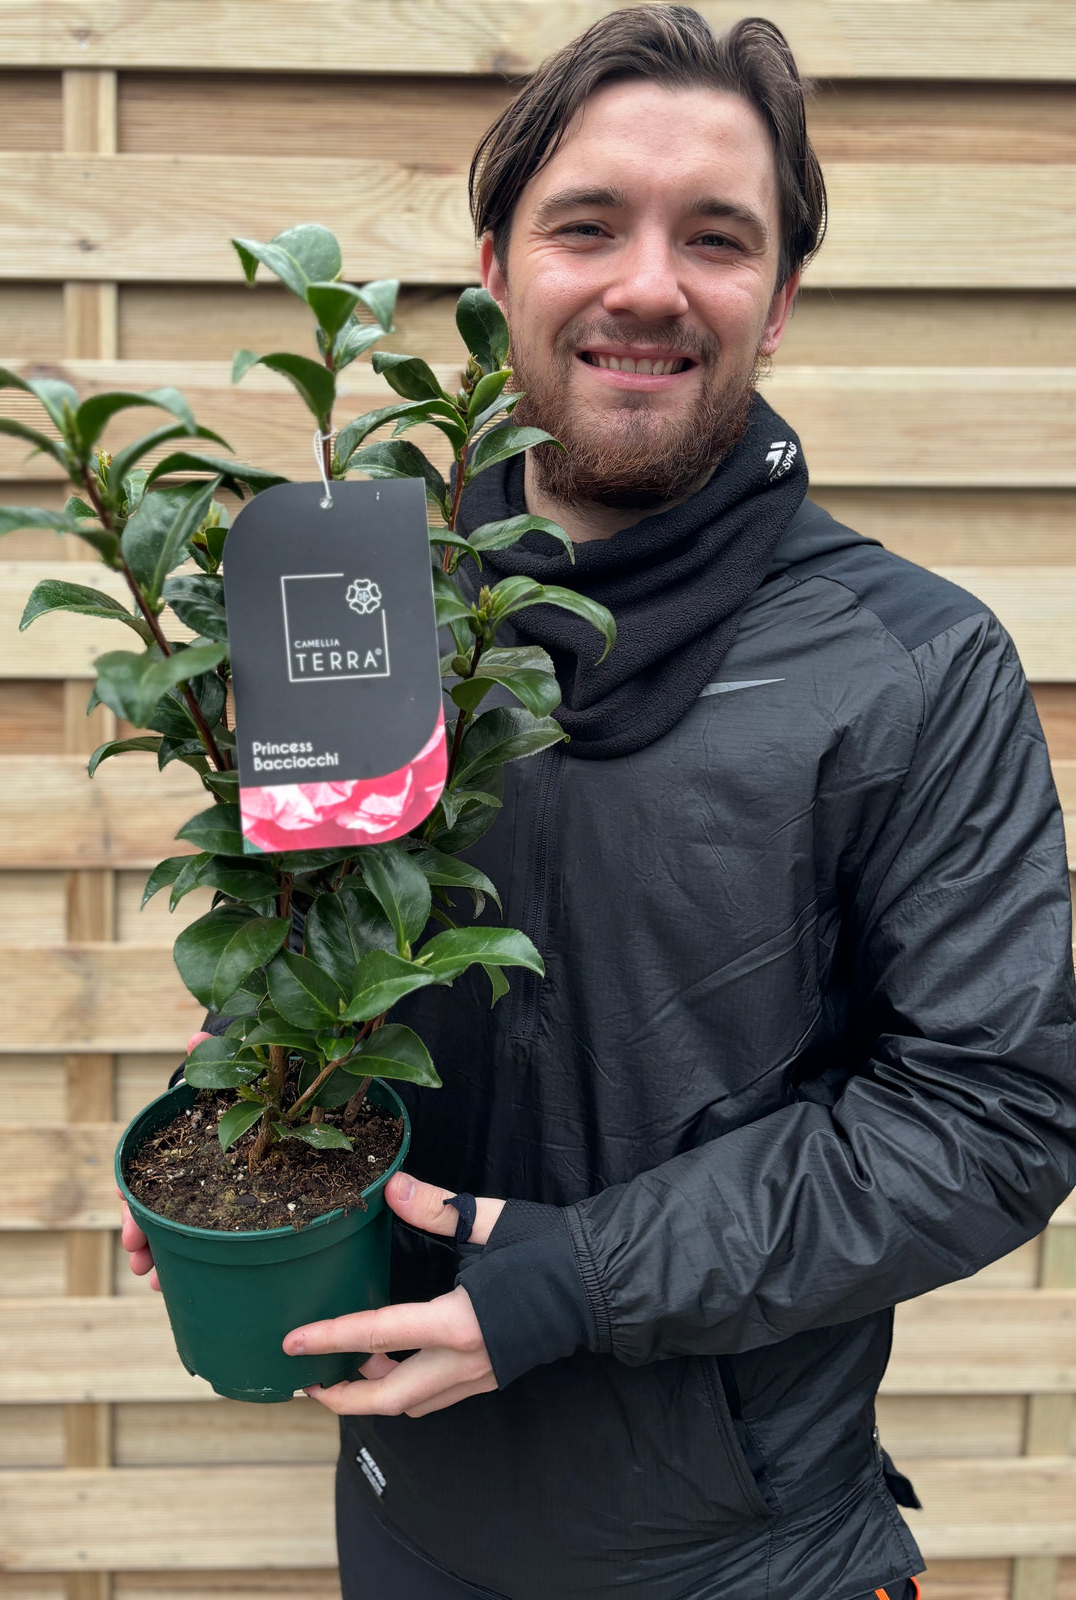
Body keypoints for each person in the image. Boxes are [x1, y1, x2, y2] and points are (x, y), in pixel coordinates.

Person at [122, 8, 1076, 1597]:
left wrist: (581, 1283)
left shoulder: (915, 665)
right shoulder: (364, 607)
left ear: (778, 305)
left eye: (716, 238)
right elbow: (313, 935)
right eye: (588, 226)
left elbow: (995, 1116)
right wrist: (246, 1125)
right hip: (404, 1515)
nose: (647, 283)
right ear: (497, 273)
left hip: (746, 1556)